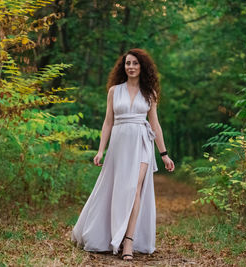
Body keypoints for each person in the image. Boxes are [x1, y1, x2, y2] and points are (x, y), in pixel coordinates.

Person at [71, 48, 175, 261]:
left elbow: (155, 124)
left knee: (134, 188)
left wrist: (164, 154)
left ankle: (128, 240)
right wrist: (101, 150)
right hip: (119, 145)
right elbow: (108, 122)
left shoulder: (150, 94)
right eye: (128, 63)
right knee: (115, 189)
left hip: (141, 144)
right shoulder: (113, 91)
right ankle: (107, 233)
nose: (131, 67)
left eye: (135, 63)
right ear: (123, 66)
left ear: (142, 67)